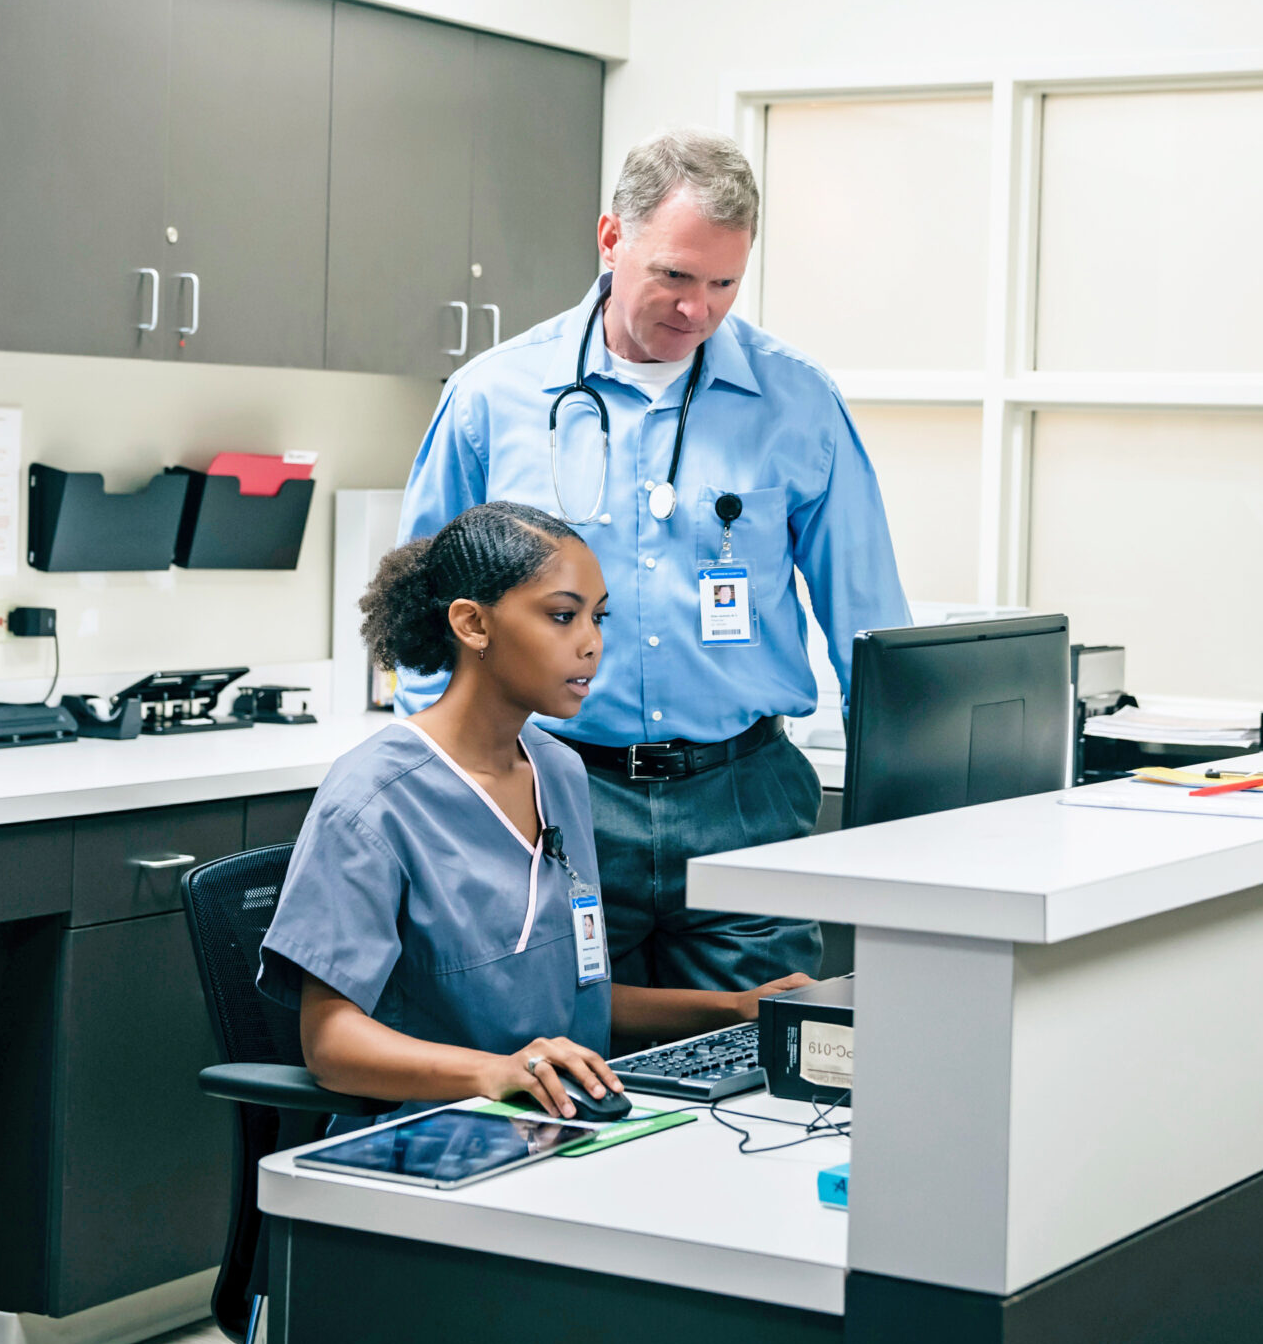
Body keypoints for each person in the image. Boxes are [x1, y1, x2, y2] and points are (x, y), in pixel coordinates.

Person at [398, 127, 910, 997]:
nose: (696, 309)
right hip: (556, 792)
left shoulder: (799, 401)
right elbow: (424, 624)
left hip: (745, 798)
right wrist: (459, 800)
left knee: (763, 1082)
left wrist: (908, 815)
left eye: (723, 283)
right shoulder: (493, 396)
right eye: (673, 275)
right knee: (570, 1075)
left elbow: (870, 627)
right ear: (610, 240)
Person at [256, 502, 810, 1121]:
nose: (592, 644)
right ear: (472, 624)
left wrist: (735, 1009)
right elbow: (330, 1044)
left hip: (565, 1127)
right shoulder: (373, 801)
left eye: (598, 618)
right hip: (430, 1140)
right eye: (563, 616)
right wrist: (494, 1073)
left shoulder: (559, 772)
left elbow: (576, 996)